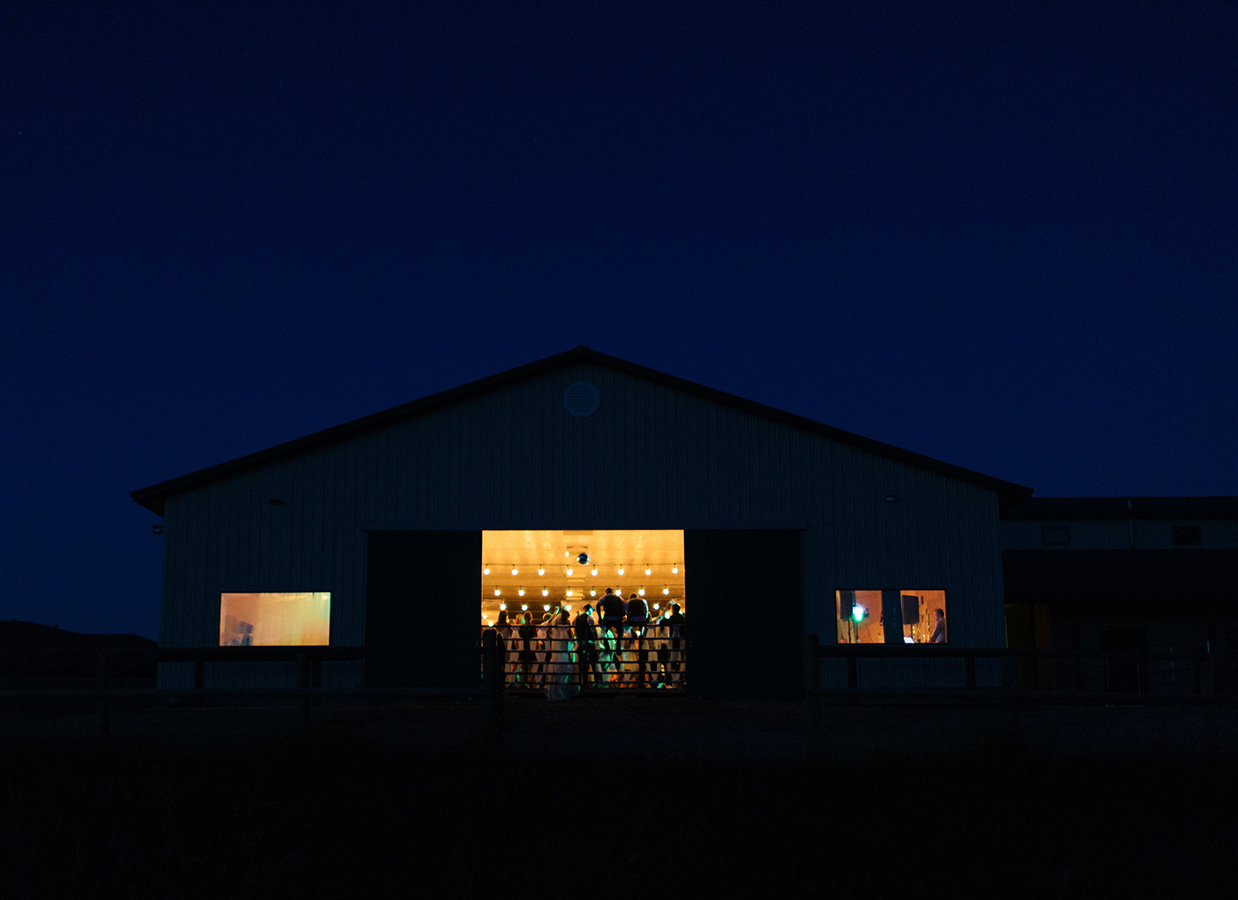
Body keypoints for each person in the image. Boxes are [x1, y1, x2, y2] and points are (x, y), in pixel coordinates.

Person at [599, 588, 626, 681]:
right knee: (621, 631)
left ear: (606, 592)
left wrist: (600, 617)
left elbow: (598, 604)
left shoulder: (604, 598)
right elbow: (624, 607)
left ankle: (606, 644)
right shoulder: (619, 598)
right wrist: (621, 616)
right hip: (617, 618)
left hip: (608, 617)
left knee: (603, 630)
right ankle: (618, 644)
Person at [573, 603, 600, 686]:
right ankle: (596, 682)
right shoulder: (590, 617)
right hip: (589, 642)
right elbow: (592, 629)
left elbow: (575, 630)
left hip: (581, 643)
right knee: (593, 662)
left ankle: (583, 682)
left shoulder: (577, 619)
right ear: (590, 609)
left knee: (583, 664)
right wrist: (595, 637)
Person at [516, 612, 538, 686]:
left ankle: (522, 682)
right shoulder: (533, 626)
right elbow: (536, 636)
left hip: (523, 647)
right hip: (530, 647)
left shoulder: (521, 627)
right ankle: (530, 682)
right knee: (530, 666)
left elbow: (519, 636)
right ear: (531, 617)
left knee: (523, 666)